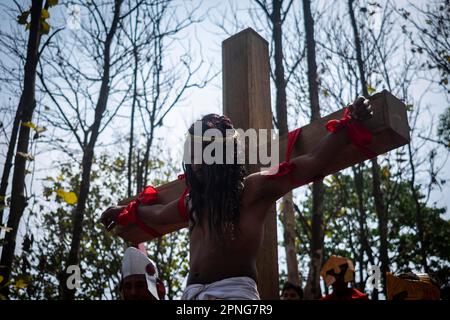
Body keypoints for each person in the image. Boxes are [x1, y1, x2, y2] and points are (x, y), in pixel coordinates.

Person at [102, 97, 373, 300]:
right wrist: (124, 212)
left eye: (203, 152)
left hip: (234, 296)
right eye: (192, 153)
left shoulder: (254, 189)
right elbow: (158, 215)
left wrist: (350, 125)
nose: (195, 162)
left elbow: (312, 162)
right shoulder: (194, 202)